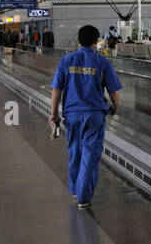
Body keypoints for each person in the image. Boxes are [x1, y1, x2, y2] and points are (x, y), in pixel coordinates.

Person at [48, 25, 123, 211]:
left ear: (79, 41)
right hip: (94, 115)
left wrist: (53, 113)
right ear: (97, 41)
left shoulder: (66, 60)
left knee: (75, 152)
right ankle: (83, 196)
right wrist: (116, 107)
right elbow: (113, 91)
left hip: (72, 115)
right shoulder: (102, 62)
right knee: (90, 155)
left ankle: (75, 189)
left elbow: (57, 89)